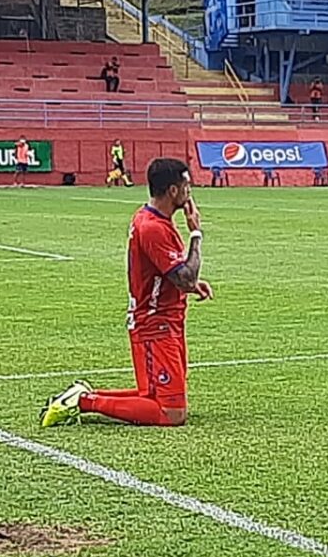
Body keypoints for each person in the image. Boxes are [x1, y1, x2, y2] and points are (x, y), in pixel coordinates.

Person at [41, 158, 213, 427]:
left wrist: (189, 286)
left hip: (166, 320)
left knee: (157, 396)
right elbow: (183, 275)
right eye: (187, 185)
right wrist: (196, 233)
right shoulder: (152, 227)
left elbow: (170, 273)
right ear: (173, 191)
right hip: (155, 325)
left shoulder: (152, 219)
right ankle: (83, 402)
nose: (190, 192)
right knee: (171, 413)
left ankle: (81, 396)